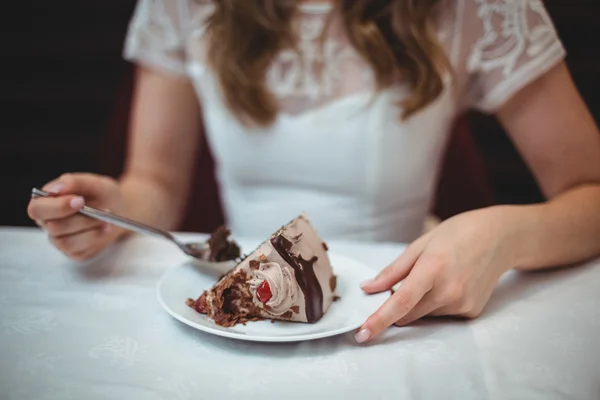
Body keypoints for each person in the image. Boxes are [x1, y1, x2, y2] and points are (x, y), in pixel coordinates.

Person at [27, 0, 600, 344]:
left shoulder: (477, 9)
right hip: (244, 332)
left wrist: (501, 234)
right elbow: (156, 183)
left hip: (400, 320)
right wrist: (115, 210)